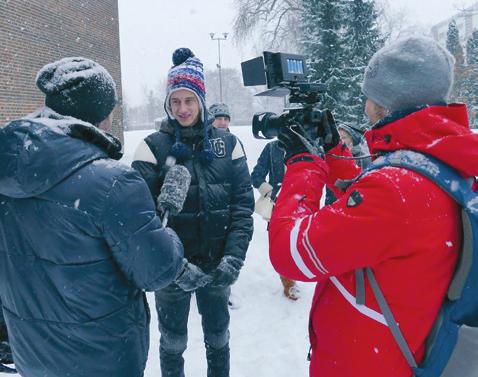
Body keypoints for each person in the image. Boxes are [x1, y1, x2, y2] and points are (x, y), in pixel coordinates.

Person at [269, 36, 475, 377]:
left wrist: (303, 165)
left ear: (385, 102)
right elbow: (376, 214)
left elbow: (289, 253)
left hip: (368, 364)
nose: (366, 103)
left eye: (370, 94)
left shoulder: (396, 192)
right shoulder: (445, 162)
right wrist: (335, 152)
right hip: (408, 349)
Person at [0, 57, 189, 377]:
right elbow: (157, 271)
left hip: (33, 357)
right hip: (102, 360)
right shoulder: (113, 183)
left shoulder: (7, 175)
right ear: (102, 116)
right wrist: (165, 222)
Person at [132, 48, 254, 377]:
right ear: (167, 105)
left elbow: (242, 208)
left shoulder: (228, 146)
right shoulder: (152, 148)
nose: (182, 109)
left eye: (189, 100)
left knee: (218, 339)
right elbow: (140, 221)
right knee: (172, 343)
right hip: (171, 274)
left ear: (201, 99)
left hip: (217, 267)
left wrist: (233, 259)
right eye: (175, 102)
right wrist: (175, 267)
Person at [251, 140, 300, 300]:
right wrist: (271, 192)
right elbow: (256, 176)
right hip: (276, 206)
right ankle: (288, 282)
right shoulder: (272, 147)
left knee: (298, 243)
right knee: (280, 245)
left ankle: (296, 273)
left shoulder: (306, 144)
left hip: (301, 203)